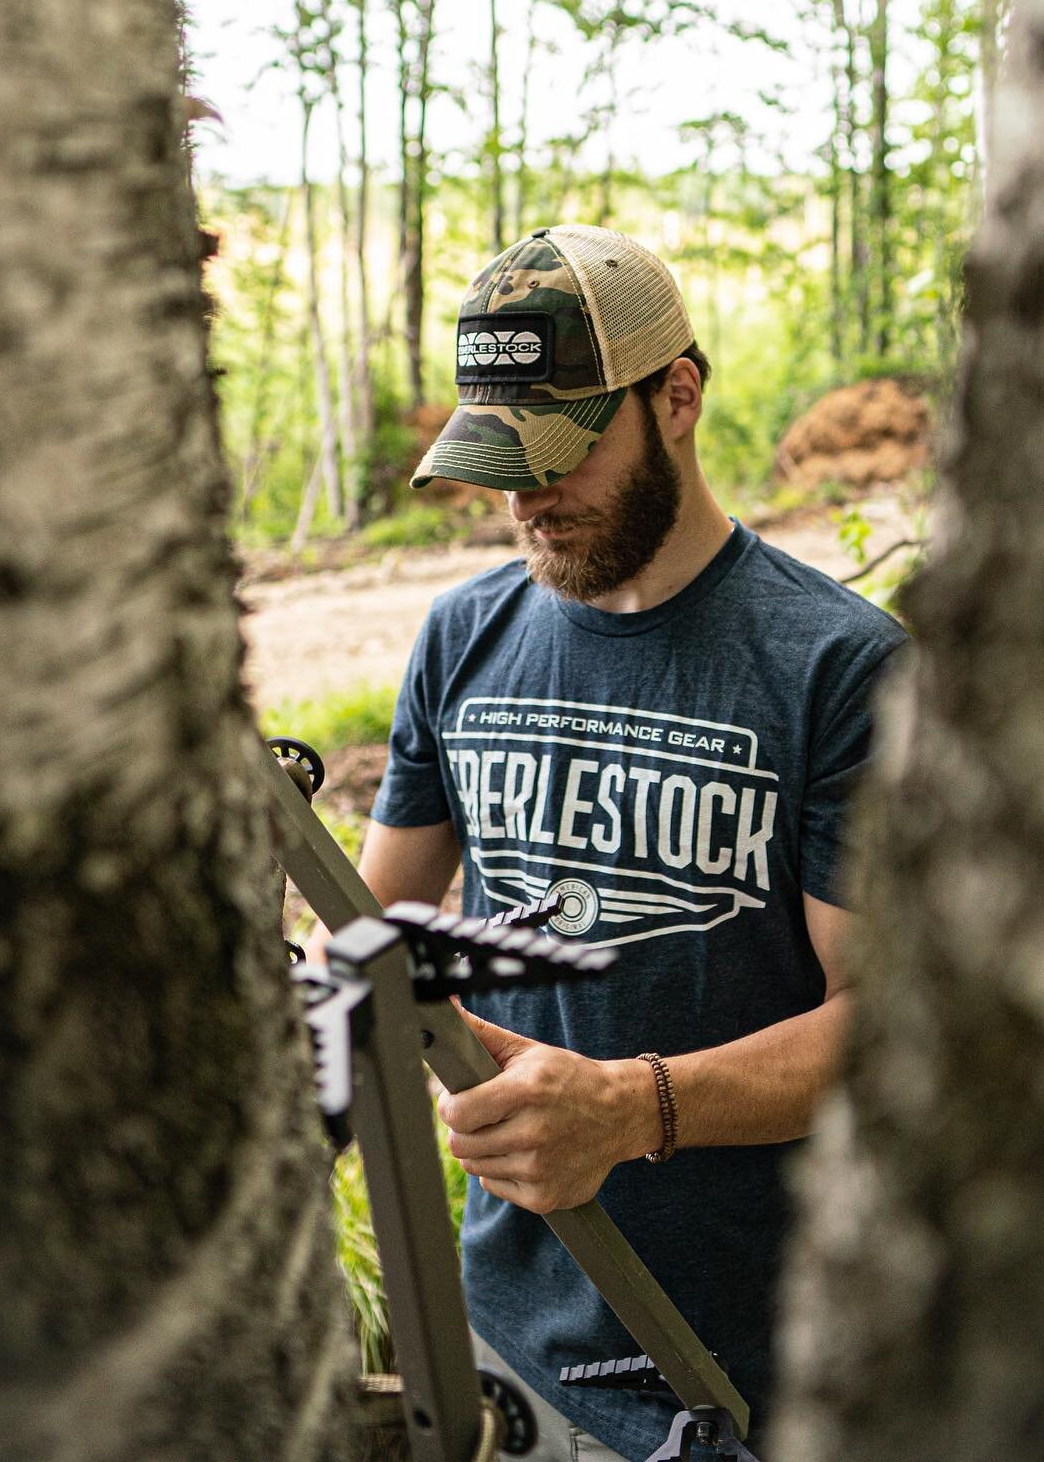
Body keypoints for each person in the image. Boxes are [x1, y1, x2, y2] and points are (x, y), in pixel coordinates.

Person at [361, 225, 908, 1461]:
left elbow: (892, 1022)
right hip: (501, 1333)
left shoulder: (838, 669)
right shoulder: (462, 640)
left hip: (738, 1367)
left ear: (679, 395)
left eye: (560, 452)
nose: (526, 498)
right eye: (499, 459)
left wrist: (633, 1107)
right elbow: (381, 935)